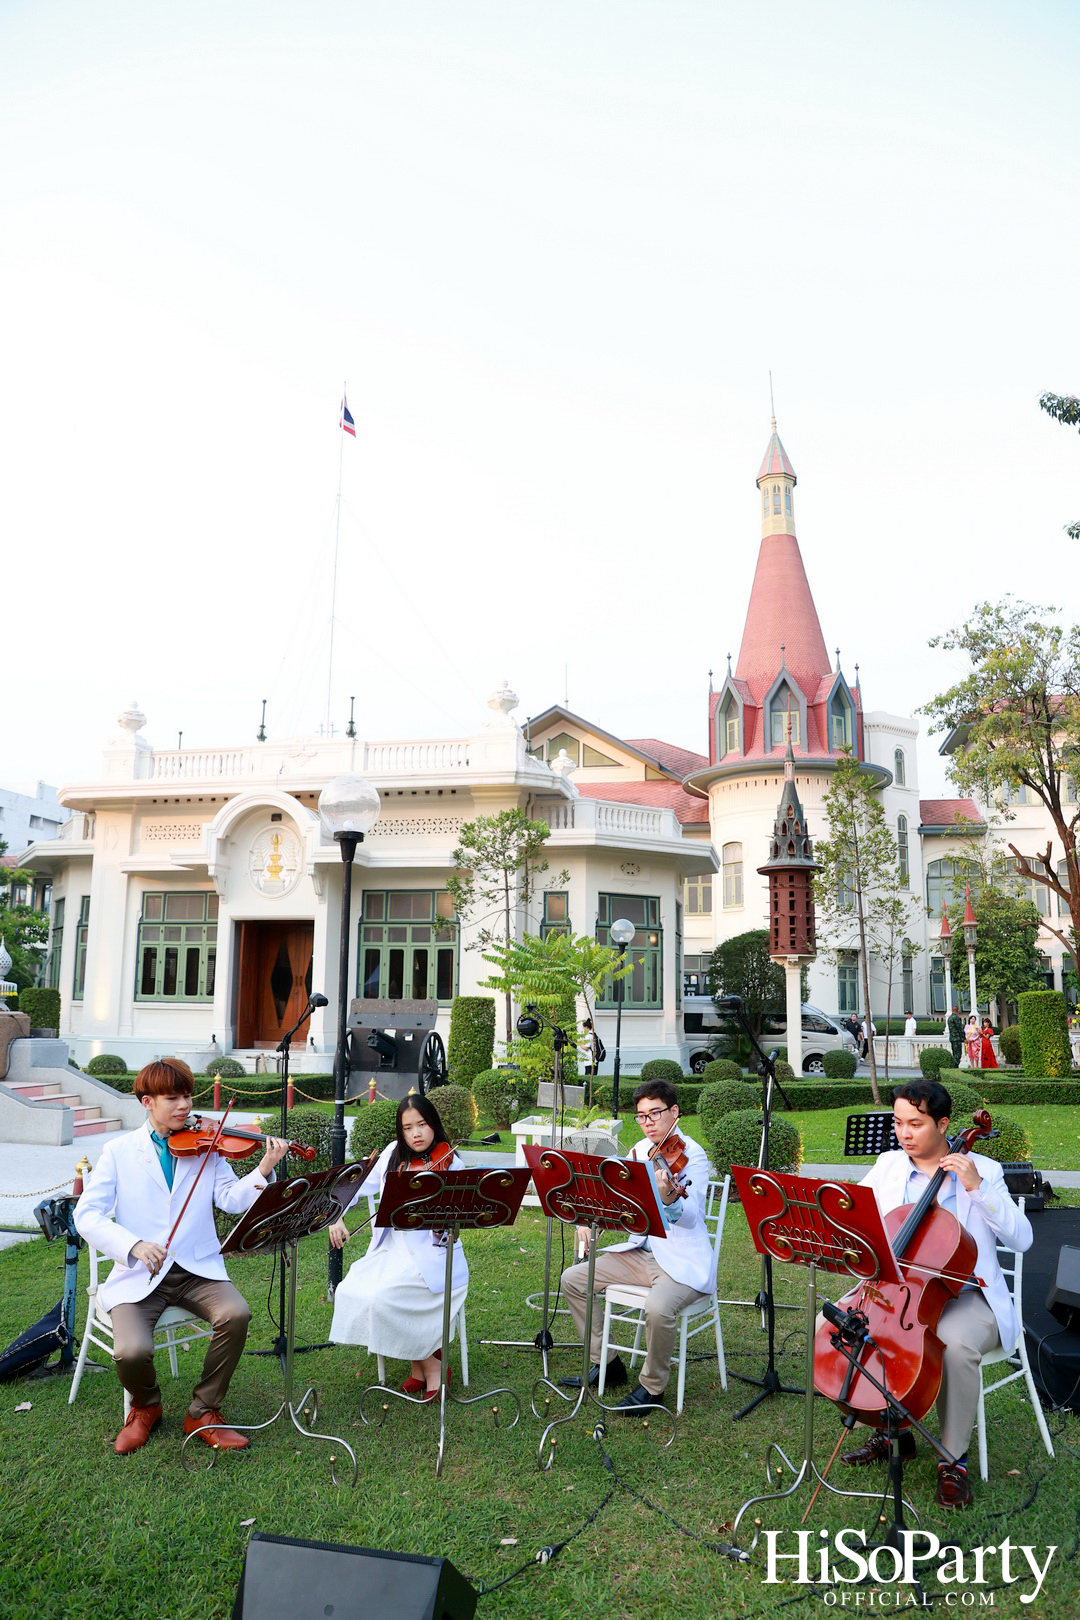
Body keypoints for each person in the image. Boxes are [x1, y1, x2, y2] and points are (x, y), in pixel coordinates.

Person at [73, 1057, 290, 1455]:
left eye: (188, 1096)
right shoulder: (119, 1151)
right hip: (141, 1274)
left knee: (236, 1313)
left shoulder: (206, 1146)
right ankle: (145, 1407)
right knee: (131, 1351)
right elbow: (86, 1214)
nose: (185, 1106)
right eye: (172, 1098)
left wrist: (263, 1168)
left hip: (196, 1268)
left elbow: (230, 1200)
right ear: (146, 1102)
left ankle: (203, 1410)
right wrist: (132, 1245)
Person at [838, 1080, 1032, 1509]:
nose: (904, 1133)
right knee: (843, 1325)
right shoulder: (889, 1165)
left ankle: (953, 1460)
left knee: (954, 1346)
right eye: (898, 1123)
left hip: (967, 1295)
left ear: (943, 1124)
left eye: (915, 1124)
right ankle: (893, 1434)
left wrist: (977, 1187)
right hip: (901, 1291)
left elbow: (1022, 1240)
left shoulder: (983, 1169)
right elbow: (857, 1216)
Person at [558, 1078, 714, 1410]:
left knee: (657, 1308)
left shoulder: (693, 1156)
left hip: (679, 1260)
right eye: (641, 1116)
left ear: (674, 1112)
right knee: (573, 1279)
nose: (648, 1123)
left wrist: (668, 1198)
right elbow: (618, 1200)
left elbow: (689, 1217)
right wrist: (590, 1221)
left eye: (654, 1114)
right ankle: (608, 1363)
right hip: (640, 1253)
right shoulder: (640, 1151)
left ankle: (653, 1387)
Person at [328, 1093, 468, 1400]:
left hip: (434, 1256)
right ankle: (423, 1362)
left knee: (383, 1297)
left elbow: (458, 1218)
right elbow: (354, 1184)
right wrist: (336, 1214)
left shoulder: (451, 1162)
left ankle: (431, 1367)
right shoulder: (393, 1154)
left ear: (434, 1125)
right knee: (352, 1291)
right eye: (407, 1128)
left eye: (422, 1124)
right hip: (390, 1251)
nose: (415, 1133)